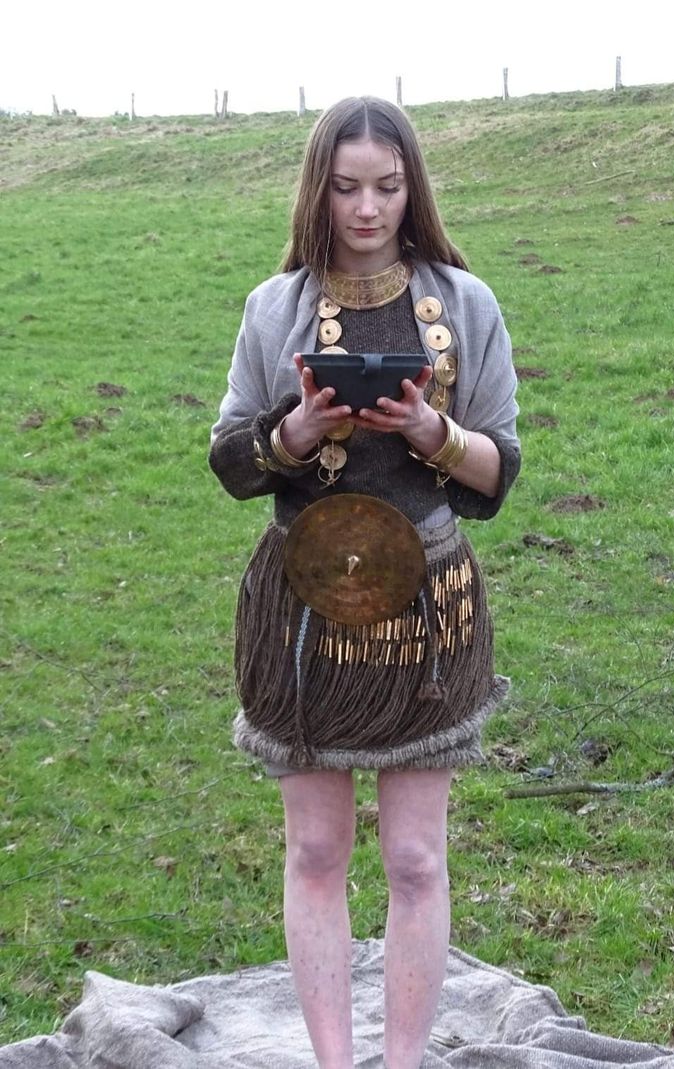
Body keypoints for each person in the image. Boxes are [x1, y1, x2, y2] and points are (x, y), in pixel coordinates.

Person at [209, 96, 520, 1069]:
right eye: (346, 187)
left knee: (417, 856)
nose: (367, 207)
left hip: (427, 608)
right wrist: (293, 434)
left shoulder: (466, 304)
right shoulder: (275, 307)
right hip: (302, 609)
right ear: (320, 190)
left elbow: (499, 471)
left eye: (386, 186)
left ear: (411, 187)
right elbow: (231, 459)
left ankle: (402, 1064)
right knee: (314, 850)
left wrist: (433, 433)